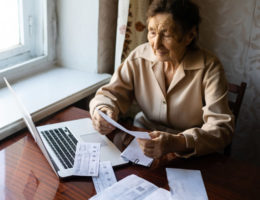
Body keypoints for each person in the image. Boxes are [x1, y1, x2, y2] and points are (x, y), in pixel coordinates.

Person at [89, 0, 234, 158]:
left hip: (188, 151)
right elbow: (110, 95)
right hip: (143, 140)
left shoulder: (210, 67)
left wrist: (177, 142)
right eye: (152, 32)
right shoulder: (139, 57)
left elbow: (222, 129)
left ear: (189, 36)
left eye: (166, 34)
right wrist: (103, 110)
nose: (156, 44)